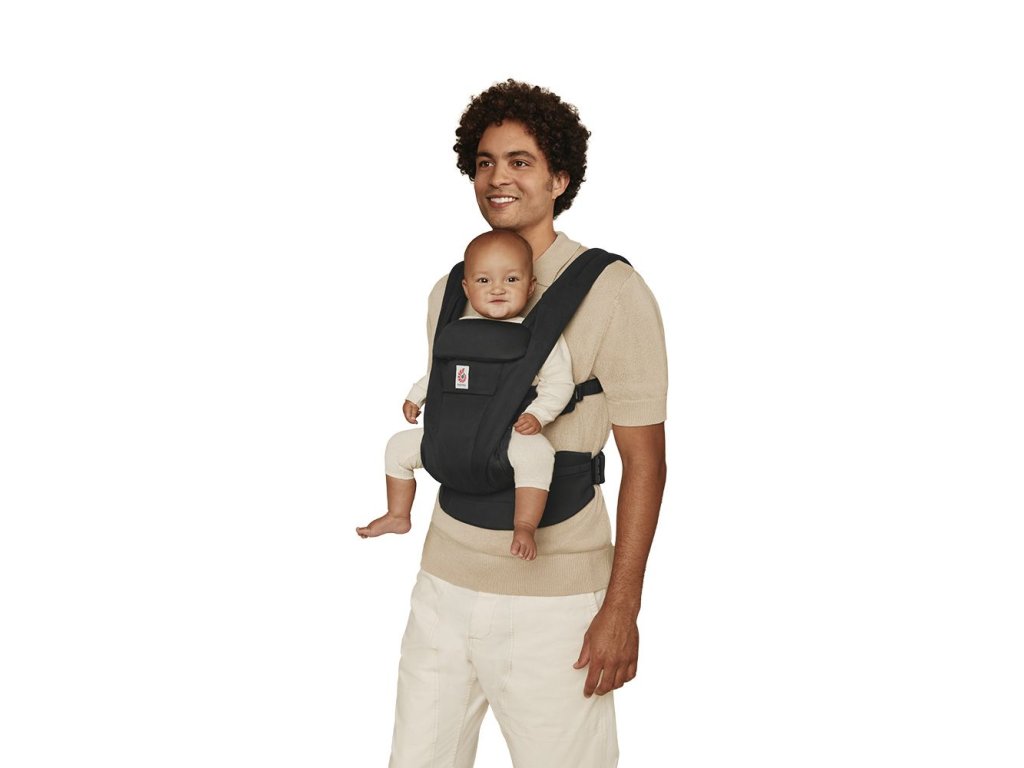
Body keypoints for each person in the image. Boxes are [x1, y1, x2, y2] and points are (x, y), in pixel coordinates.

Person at [388, 79, 668, 768]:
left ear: (559, 178)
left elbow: (647, 463)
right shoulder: (451, 289)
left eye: (520, 162)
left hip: (558, 601)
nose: (498, 178)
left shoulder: (612, 291)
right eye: (484, 162)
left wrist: (621, 609)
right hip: (444, 584)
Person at [356, 229, 575, 560]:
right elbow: (440, 374)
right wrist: (416, 396)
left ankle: (525, 525)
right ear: (466, 288)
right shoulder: (457, 331)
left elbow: (559, 383)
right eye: (484, 280)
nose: (498, 288)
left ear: (531, 286)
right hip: (449, 438)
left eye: (512, 279)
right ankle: (398, 514)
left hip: (502, 440)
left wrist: (538, 414)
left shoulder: (534, 336)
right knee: (397, 447)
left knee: (538, 454)